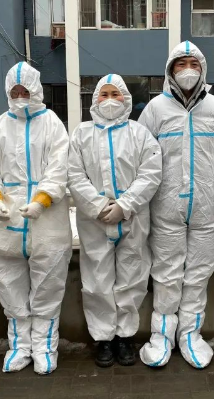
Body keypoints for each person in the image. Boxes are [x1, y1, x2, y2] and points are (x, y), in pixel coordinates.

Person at [137, 40, 214, 369]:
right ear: (170, 70)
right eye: (181, 64)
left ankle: (190, 334)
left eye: (194, 64)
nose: (188, 70)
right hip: (165, 209)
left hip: (208, 210)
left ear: (203, 69)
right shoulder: (155, 109)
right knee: (166, 275)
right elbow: (142, 157)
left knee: (197, 276)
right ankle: (162, 335)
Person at [0, 62, 72, 375]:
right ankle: (19, 347)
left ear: (36, 90)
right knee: (9, 282)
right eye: (15, 91)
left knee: (49, 282)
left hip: (48, 218)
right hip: (7, 219)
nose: (20, 96)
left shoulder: (52, 123)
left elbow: (60, 166)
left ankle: (45, 347)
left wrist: (43, 199)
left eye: (25, 90)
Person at [69, 74, 162, 367]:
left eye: (115, 94)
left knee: (132, 277)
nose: (109, 100)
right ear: (94, 99)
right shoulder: (81, 134)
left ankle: (125, 337)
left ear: (126, 99)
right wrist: (98, 205)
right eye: (104, 94)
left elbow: (151, 173)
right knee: (96, 280)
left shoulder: (140, 134)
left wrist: (125, 205)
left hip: (133, 218)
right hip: (94, 221)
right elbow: (74, 175)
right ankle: (103, 339)